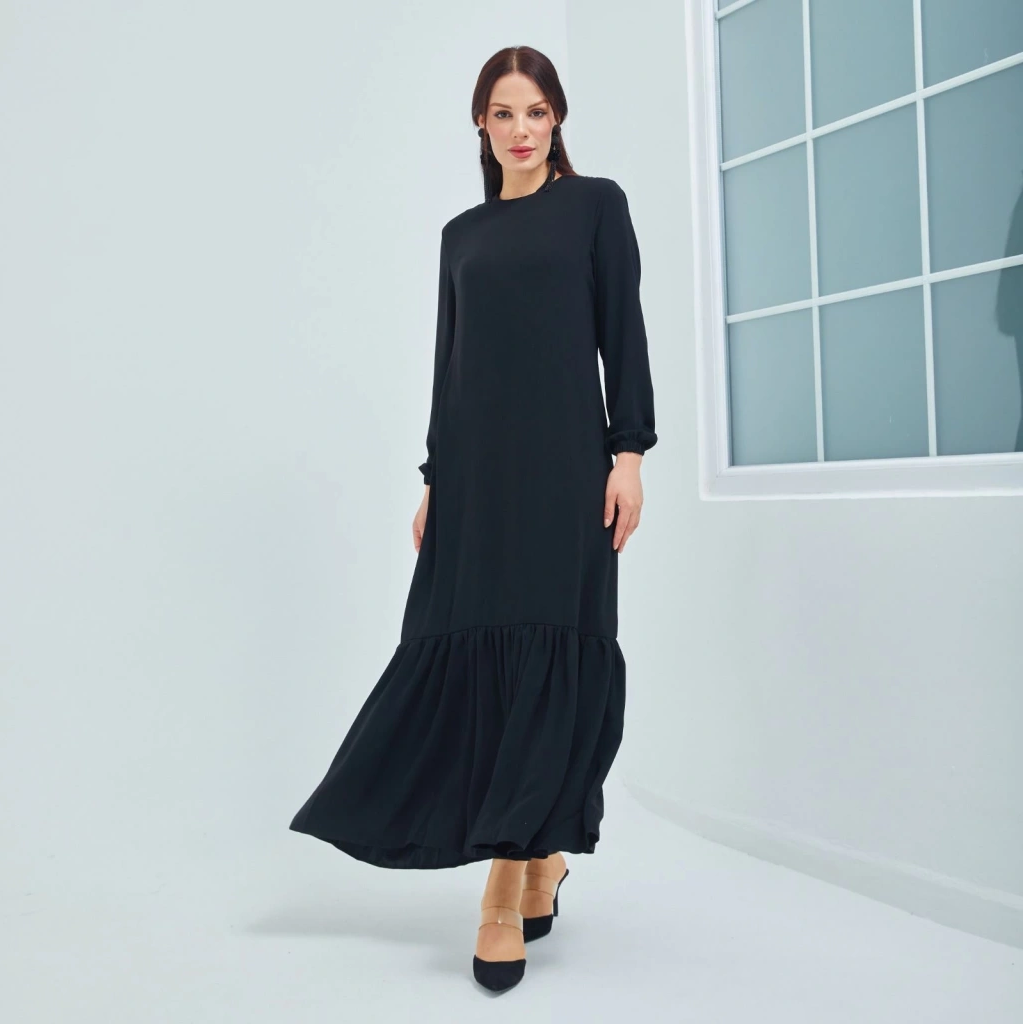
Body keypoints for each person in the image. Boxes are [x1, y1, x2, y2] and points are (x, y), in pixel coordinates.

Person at [289, 45, 658, 994]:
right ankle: (539, 857)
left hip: (567, 474)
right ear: (481, 125)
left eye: (537, 112)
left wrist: (628, 455)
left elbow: (624, 333)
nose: (522, 130)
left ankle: (503, 890)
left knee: (551, 654)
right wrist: (436, 478)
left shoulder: (596, 205)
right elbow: (451, 367)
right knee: (470, 656)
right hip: (479, 480)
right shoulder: (463, 235)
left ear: (557, 118)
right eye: (504, 113)